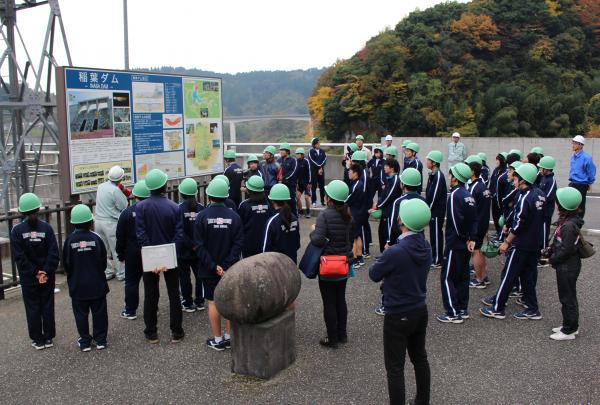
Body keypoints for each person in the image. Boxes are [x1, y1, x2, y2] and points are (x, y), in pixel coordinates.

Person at [369, 198, 432, 405]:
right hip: (419, 309)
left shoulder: (395, 251)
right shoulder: (426, 246)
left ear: (402, 221)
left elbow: (373, 274)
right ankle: (422, 401)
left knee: (395, 367)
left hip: (397, 313)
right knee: (419, 358)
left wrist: (386, 254)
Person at [480, 163, 546, 320]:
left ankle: (498, 308)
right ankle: (532, 308)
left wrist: (507, 242)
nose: (514, 180)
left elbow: (519, 224)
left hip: (521, 244)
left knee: (509, 274)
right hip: (534, 243)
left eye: (516, 178)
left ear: (523, 180)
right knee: (526, 276)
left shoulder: (525, 197)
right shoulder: (539, 194)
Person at [194, 178, 244, 351]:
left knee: (213, 302)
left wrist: (214, 266)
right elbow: (238, 244)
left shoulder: (202, 217)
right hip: (229, 269)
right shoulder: (234, 217)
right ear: (225, 196)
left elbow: (198, 245)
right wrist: (226, 265)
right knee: (229, 302)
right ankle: (230, 337)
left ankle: (217, 339)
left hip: (209, 269)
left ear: (209, 196)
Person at [135, 169, 184, 344]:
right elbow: (179, 236)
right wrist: (166, 258)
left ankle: (151, 333)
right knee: (173, 294)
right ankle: (176, 332)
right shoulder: (174, 207)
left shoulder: (140, 207)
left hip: (149, 258)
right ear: (164, 186)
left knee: (150, 294)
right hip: (170, 257)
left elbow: (140, 234)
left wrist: (153, 258)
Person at [10, 193, 59, 350]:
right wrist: (45, 271)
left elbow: (20, 257)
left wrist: (35, 273)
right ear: (38, 209)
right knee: (47, 305)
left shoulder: (17, 231)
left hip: (29, 278)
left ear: (22, 211)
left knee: (32, 307)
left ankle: (38, 340)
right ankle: (49, 337)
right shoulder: (47, 228)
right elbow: (54, 253)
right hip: (47, 276)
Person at [310, 180, 354, 349]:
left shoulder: (324, 215)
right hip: (343, 264)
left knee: (329, 302)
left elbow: (318, 239)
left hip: (328, 265)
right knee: (340, 299)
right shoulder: (347, 214)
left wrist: (314, 229)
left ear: (329, 198)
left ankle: (332, 338)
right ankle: (342, 335)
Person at [63, 204, 109, 352]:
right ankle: (100, 339)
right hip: (97, 283)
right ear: (90, 222)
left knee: (81, 314)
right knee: (99, 312)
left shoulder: (69, 240)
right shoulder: (96, 238)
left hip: (78, 285)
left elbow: (66, 264)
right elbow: (103, 260)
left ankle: (85, 341)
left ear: (74, 223)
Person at [436, 163, 476, 324]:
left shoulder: (454, 195)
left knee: (447, 277)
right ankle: (462, 308)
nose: (449, 177)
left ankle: (452, 312)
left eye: (451, 174)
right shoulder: (469, 195)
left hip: (455, 243)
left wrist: (462, 237)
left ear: (455, 177)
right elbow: (474, 220)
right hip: (466, 243)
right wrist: (471, 238)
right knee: (462, 276)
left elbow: (454, 219)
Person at [543, 187, 584, 341]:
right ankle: (569, 325)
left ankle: (569, 330)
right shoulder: (569, 221)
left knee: (567, 298)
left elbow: (566, 249)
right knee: (567, 296)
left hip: (567, 266)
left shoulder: (568, 226)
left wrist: (551, 259)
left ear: (563, 205)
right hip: (568, 265)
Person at [116, 180, 150, 320]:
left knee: (131, 282)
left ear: (135, 196)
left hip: (132, 252)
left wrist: (120, 254)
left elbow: (120, 236)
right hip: (150, 251)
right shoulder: (153, 211)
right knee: (150, 283)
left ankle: (130, 310)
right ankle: (152, 307)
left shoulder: (127, 213)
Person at [95, 165, 128, 280]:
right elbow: (124, 205)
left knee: (103, 249)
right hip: (110, 222)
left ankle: (108, 271)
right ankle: (120, 273)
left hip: (98, 221)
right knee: (115, 249)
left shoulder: (100, 186)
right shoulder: (115, 190)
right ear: (120, 179)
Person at [177, 178, 205, 313]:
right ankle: (200, 301)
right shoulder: (201, 208)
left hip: (184, 250)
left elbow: (180, 232)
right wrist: (197, 245)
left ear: (181, 193)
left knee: (184, 276)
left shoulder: (179, 209)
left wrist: (190, 245)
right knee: (200, 275)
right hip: (199, 250)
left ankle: (188, 302)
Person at [465, 155, 492, 289]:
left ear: (472, 172)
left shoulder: (474, 188)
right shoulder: (482, 186)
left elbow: (471, 210)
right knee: (480, 251)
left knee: (476, 251)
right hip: (483, 222)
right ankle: (484, 276)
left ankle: (479, 279)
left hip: (477, 224)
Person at [388, 168, 426, 247]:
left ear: (403, 184)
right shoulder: (423, 200)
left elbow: (393, 226)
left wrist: (390, 242)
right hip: (420, 240)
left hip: (402, 242)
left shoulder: (398, 202)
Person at [263, 184, 301, 263]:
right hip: (292, 263)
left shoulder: (272, 222)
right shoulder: (294, 218)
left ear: (272, 200)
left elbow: (265, 250)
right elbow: (297, 244)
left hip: (276, 266)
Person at [371, 159, 402, 253]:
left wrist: (378, 205)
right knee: (382, 232)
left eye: (386, 165)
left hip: (390, 211)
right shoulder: (390, 178)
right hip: (386, 210)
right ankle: (384, 253)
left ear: (392, 168)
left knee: (388, 234)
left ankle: (387, 254)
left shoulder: (396, 179)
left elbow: (389, 195)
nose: (384, 167)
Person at [238, 176, 272, 258]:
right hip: (265, 243)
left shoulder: (244, 205)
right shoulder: (269, 204)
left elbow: (240, 226)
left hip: (248, 245)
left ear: (248, 190)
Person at [425, 150, 447, 269]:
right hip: (432, 210)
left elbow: (434, 196)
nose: (427, 162)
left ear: (434, 163)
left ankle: (438, 259)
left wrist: (428, 210)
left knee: (437, 234)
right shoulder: (432, 174)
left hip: (437, 211)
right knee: (433, 234)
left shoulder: (438, 176)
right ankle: (434, 256)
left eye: (428, 160)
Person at [346, 164, 369, 268]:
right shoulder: (360, 183)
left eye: (350, 171)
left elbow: (348, 199)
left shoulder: (356, 185)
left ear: (355, 173)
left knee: (353, 237)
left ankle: (354, 260)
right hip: (361, 212)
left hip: (356, 213)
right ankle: (360, 257)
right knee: (358, 235)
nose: (348, 173)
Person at [568, 135, 596, 217]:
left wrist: (590, 182)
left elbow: (591, 171)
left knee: (580, 205)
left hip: (581, 184)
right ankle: (569, 221)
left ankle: (578, 223)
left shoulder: (587, 157)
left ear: (581, 145)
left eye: (575, 143)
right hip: (572, 182)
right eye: (573, 142)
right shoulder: (573, 156)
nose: (573, 145)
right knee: (570, 204)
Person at [538, 156, 558, 253]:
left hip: (546, 211)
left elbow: (548, 196)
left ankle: (544, 250)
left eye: (541, 168)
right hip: (540, 209)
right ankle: (540, 247)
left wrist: (538, 203)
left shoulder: (551, 180)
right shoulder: (543, 178)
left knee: (545, 230)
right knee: (539, 230)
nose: (540, 169)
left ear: (547, 169)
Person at [489, 152, 508, 238]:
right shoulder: (496, 170)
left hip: (500, 199)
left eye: (497, 159)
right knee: (495, 216)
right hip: (493, 198)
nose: (496, 161)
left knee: (501, 218)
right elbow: (492, 182)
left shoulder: (505, 171)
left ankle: (501, 234)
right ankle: (498, 232)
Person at [278, 143, 298, 215]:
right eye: (280, 150)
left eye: (282, 150)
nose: (281, 152)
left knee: (292, 200)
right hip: (281, 185)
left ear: (287, 151)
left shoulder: (293, 160)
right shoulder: (279, 160)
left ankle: (294, 215)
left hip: (291, 184)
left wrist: (284, 178)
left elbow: (293, 172)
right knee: (282, 201)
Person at [309, 137, 327, 207]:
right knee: (313, 187)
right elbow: (312, 161)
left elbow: (325, 159)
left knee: (322, 186)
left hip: (321, 172)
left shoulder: (322, 151)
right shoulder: (311, 151)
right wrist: (319, 167)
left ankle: (322, 201)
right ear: (314, 144)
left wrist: (321, 168)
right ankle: (314, 201)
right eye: (318, 143)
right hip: (314, 172)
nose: (319, 144)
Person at [295, 147, 312, 218]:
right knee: (297, 197)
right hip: (300, 184)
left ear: (301, 154)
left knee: (306, 197)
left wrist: (310, 183)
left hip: (307, 183)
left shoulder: (306, 161)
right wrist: (296, 183)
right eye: (296, 154)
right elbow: (295, 174)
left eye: (297, 154)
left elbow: (309, 172)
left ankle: (308, 212)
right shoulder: (296, 162)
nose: (296, 155)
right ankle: (300, 211)